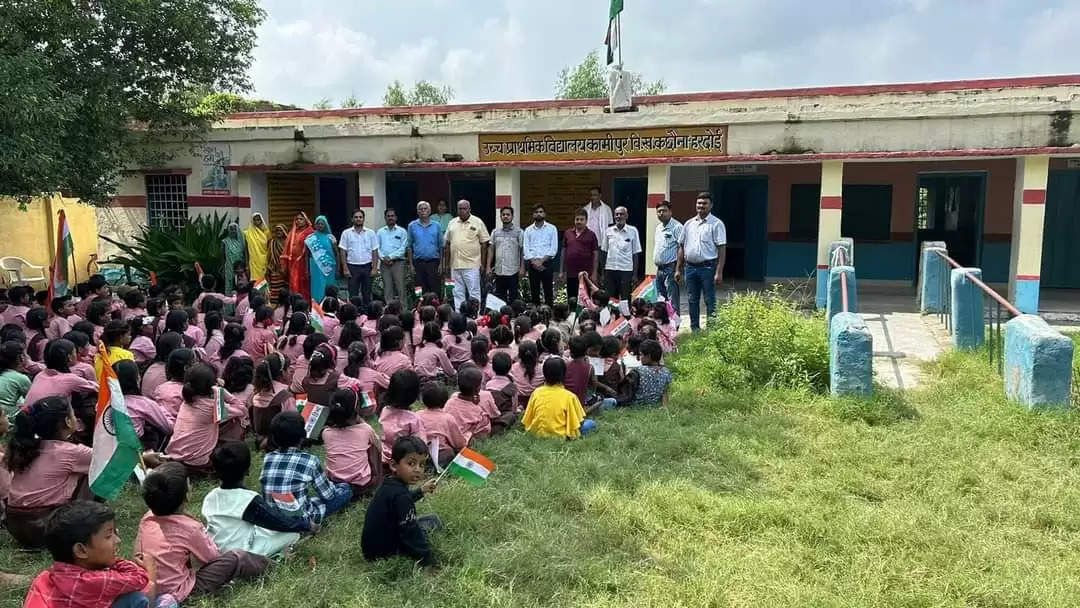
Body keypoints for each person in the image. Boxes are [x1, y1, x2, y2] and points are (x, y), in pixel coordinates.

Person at [137, 462, 269, 603]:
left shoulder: (147, 518)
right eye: (189, 484)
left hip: (148, 590)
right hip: (182, 594)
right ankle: (272, 565)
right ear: (187, 496)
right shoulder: (190, 528)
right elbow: (212, 558)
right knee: (236, 557)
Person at [24, 500, 159, 608]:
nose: (117, 540)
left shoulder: (43, 578)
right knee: (138, 599)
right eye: (108, 535)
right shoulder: (97, 581)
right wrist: (149, 570)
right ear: (81, 550)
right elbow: (139, 577)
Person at [5, 397, 92, 549]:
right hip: (46, 529)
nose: (76, 418)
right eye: (73, 415)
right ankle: (88, 523)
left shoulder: (26, 448)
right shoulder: (70, 452)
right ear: (67, 421)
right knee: (93, 472)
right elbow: (108, 460)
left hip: (15, 526)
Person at [203, 441, 310, 558]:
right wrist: (307, 525)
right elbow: (281, 523)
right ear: (247, 470)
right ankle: (276, 557)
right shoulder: (248, 499)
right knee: (292, 534)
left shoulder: (210, 496)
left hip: (217, 551)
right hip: (241, 555)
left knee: (260, 528)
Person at [260, 411, 353, 525]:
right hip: (301, 522)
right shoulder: (310, 461)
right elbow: (328, 495)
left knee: (306, 498)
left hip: (273, 518)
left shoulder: (268, 458)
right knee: (345, 488)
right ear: (302, 436)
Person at [361, 435, 439, 568]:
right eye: (411, 463)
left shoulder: (388, 485)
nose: (417, 470)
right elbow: (411, 532)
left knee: (427, 520)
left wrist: (421, 491)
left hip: (370, 550)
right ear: (393, 465)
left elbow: (400, 502)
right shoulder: (401, 496)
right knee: (433, 521)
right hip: (385, 552)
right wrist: (427, 561)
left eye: (422, 464)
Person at [166, 363, 248, 473]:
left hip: (173, 454)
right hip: (196, 462)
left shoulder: (187, 401)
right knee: (237, 422)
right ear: (211, 385)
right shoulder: (212, 406)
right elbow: (242, 409)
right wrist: (221, 391)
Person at [675, 191, 727, 331]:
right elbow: (681, 246)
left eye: (704, 203)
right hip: (690, 268)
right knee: (692, 300)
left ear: (711, 206)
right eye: (699, 203)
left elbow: (721, 249)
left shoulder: (716, 224)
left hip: (707, 268)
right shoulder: (688, 224)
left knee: (709, 300)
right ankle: (695, 329)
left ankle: (712, 330)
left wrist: (719, 272)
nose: (701, 206)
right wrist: (678, 269)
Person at [323, 389, 383, 498]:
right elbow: (380, 447)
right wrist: (361, 420)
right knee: (373, 446)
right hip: (362, 486)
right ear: (357, 408)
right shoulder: (365, 429)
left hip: (335, 483)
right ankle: (377, 482)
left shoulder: (326, 433)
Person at [522, 356, 595, 439]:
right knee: (591, 423)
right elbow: (579, 423)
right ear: (564, 375)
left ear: (544, 374)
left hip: (537, 434)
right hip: (560, 436)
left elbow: (528, 419)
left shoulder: (536, 393)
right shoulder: (570, 397)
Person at [443, 199, 490, 310]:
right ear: (457, 209)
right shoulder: (452, 222)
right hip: (455, 265)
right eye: (460, 209)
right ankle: (460, 317)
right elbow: (448, 244)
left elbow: (484, 243)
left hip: (472, 265)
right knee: (457, 293)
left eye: (464, 208)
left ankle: (475, 317)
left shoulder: (477, 222)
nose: (462, 211)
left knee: (474, 293)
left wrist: (482, 264)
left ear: (469, 209)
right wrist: (446, 264)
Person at [378, 369, 427, 465]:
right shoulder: (413, 419)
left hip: (382, 456)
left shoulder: (384, 410)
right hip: (402, 461)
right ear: (414, 394)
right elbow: (421, 445)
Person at [415, 382, 467, 469]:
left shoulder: (416, 415)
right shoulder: (447, 418)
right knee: (450, 452)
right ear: (445, 401)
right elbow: (459, 444)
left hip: (420, 455)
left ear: (423, 399)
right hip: (442, 455)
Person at [443, 365, 497, 443]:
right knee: (486, 420)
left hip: (449, 435)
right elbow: (494, 416)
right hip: (465, 440)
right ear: (478, 388)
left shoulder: (451, 400)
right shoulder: (477, 410)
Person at [599, 205, 642, 302]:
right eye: (617, 214)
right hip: (610, 270)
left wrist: (635, 274)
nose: (619, 216)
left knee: (625, 300)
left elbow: (635, 254)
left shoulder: (633, 231)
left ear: (626, 216)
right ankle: (613, 317)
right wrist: (602, 273)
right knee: (611, 300)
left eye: (621, 214)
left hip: (626, 270)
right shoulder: (608, 231)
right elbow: (604, 252)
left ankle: (626, 317)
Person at [558, 208, 599, 307]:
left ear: (586, 220)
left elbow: (596, 255)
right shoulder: (568, 233)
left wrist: (594, 273)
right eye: (577, 219)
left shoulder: (592, 235)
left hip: (586, 275)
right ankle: (572, 318)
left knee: (585, 299)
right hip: (571, 273)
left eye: (581, 219)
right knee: (571, 299)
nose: (579, 222)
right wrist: (561, 271)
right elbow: (563, 253)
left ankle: (585, 319)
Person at [338, 209, 379, 306]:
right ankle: (353, 315)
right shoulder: (346, 233)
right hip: (352, 267)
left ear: (364, 219)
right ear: (352, 219)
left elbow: (374, 251)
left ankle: (367, 316)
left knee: (367, 294)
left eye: (360, 217)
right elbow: (342, 251)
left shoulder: (370, 233)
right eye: (356, 217)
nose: (358, 219)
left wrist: (374, 268)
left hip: (367, 267)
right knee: (353, 295)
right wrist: (345, 268)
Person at [486, 206, 523, 305]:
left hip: (513, 271)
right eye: (503, 214)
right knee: (500, 299)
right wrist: (488, 267)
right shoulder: (495, 232)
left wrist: (522, 268)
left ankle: (513, 318)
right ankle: (502, 318)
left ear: (512, 216)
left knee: (513, 298)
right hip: (499, 271)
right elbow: (491, 249)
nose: (505, 216)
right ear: (500, 216)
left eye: (508, 214)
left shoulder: (519, 232)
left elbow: (522, 250)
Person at [522, 204, 558, 306]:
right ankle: (535, 315)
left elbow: (553, 249)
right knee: (534, 291)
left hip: (547, 263)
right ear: (533, 215)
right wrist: (534, 262)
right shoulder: (528, 230)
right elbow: (526, 248)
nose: (538, 214)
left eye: (541, 212)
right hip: (532, 264)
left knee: (548, 291)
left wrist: (541, 261)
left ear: (545, 214)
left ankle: (549, 313)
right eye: (536, 212)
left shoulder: (552, 228)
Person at [653, 200, 683, 316]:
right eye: (659, 211)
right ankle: (665, 326)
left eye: (664, 211)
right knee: (661, 300)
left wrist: (678, 269)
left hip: (671, 268)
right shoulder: (658, 228)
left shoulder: (677, 227)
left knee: (672, 300)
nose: (661, 213)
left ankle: (675, 327)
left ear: (670, 212)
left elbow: (682, 248)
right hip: (659, 269)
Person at [407, 201, 443, 297]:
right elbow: (409, 246)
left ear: (430, 211)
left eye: (425, 208)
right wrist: (411, 265)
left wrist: (441, 264)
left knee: (435, 289)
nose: (423, 211)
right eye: (420, 209)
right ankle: (420, 309)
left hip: (433, 263)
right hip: (418, 263)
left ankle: (436, 309)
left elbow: (441, 246)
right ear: (417, 211)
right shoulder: (412, 226)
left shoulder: (437, 226)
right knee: (419, 289)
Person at [377, 208, 409, 305]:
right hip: (384, 264)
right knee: (387, 288)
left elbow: (403, 248)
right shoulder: (380, 232)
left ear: (396, 217)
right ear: (385, 218)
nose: (390, 218)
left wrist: (390, 257)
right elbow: (376, 248)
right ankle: (389, 312)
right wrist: (384, 258)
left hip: (398, 263)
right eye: (388, 216)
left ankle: (404, 312)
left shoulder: (402, 231)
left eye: (392, 216)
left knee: (401, 289)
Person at [305, 215, 338, 304]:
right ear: (315, 225)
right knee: (317, 287)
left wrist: (338, 269)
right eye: (318, 224)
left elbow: (335, 253)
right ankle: (316, 306)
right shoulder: (310, 238)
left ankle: (330, 305)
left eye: (322, 224)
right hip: (315, 267)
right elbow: (307, 254)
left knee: (328, 286)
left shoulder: (330, 237)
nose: (320, 226)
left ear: (325, 225)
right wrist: (307, 269)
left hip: (328, 267)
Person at [281, 213, 315, 302]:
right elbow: (286, 250)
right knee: (294, 284)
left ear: (305, 220)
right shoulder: (292, 233)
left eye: (301, 219)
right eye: (297, 219)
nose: (298, 221)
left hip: (305, 262)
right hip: (293, 263)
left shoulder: (310, 233)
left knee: (304, 283)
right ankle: (294, 304)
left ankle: (305, 304)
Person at [221, 222, 247, 295]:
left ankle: (241, 304)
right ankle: (230, 305)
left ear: (237, 230)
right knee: (230, 287)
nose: (233, 231)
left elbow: (245, 255)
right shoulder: (225, 242)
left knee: (242, 286)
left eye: (234, 229)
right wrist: (223, 268)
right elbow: (222, 256)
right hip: (229, 269)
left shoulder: (242, 242)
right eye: (231, 229)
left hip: (241, 268)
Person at [244, 212, 270, 283]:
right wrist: (246, 265)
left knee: (264, 282)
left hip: (264, 261)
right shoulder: (247, 233)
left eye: (258, 220)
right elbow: (246, 250)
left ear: (261, 220)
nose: (257, 222)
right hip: (254, 261)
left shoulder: (266, 233)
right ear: (252, 221)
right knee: (255, 283)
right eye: (255, 220)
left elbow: (269, 248)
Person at [267, 224, 289, 303]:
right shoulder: (272, 243)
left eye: (281, 230)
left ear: (284, 231)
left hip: (287, 271)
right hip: (276, 270)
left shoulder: (288, 242)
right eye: (277, 231)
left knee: (286, 290)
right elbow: (269, 256)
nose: (279, 232)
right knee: (275, 292)